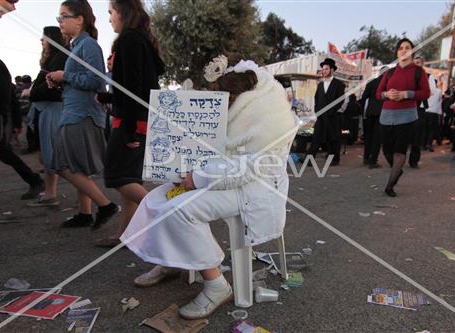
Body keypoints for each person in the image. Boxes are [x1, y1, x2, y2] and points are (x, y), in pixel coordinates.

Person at [120, 55, 298, 319]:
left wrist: (199, 178)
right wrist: (179, 164)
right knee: (156, 198)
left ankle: (216, 285)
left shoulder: (273, 121)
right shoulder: (247, 106)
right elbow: (213, 146)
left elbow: (250, 169)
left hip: (255, 191)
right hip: (223, 178)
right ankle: (171, 260)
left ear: (243, 99)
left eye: (228, 102)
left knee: (181, 209)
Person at [94, 0, 165, 248]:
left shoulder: (129, 40)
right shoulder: (140, 40)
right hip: (138, 118)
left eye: (111, 12)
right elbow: (135, 88)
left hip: (132, 121)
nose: (109, 18)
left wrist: (132, 128)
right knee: (130, 176)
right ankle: (125, 234)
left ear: (122, 12)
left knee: (117, 175)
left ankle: (168, 222)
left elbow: (135, 89)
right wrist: (109, 97)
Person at [46, 0, 118, 228]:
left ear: (80, 19)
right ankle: (85, 213)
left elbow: (97, 80)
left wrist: (64, 77)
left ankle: (105, 205)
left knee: (62, 164)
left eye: (63, 16)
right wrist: (59, 81)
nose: (60, 22)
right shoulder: (78, 46)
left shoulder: (88, 46)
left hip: (81, 114)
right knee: (77, 166)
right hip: (76, 111)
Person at [0, 30, 44, 199]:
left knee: (4, 153)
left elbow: (4, 95)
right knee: (3, 152)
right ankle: (34, 180)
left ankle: (35, 180)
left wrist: (15, 122)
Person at [376, 38, 430, 197]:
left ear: (412, 51)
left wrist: (407, 94)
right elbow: (378, 93)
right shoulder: (390, 72)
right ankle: (397, 170)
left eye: (407, 47)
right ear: (397, 52)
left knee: (399, 151)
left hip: (407, 116)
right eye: (401, 48)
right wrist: (387, 94)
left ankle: (390, 185)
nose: (404, 50)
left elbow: (426, 93)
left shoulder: (419, 72)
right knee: (386, 150)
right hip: (386, 115)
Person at [22, 26, 68, 207]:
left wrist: (30, 93)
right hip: (45, 110)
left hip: (52, 110)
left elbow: (53, 90)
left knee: (51, 157)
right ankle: (50, 192)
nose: (41, 41)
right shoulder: (52, 58)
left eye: (44, 38)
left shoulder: (60, 57)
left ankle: (53, 193)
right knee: (45, 155)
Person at [305, 58, 345, 166]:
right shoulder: (320, 85)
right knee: (316, 137)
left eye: (326, 69)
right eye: (323, 69)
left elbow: (340, 100)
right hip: (321, 116)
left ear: (332, 70)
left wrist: (331, 112)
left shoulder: (339, 84)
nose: (324, 71)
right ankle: (309, 160)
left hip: (333, 116)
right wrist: (317, 112)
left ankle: (335, 159)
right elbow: (317, 99)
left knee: (333, 138)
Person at [360, 69, 385, 169]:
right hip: (382, 113)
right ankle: (373, 161)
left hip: (369, 113)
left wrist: (363, 112)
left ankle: (366, 158)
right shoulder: (387, 83)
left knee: (368, 137)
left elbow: (363, 98)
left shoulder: (371, 82)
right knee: (377, 138)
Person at [423, 78, 442, 151]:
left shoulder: (425, 90)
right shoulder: (439, 91)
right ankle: (428, 143)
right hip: (434, 112)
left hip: (425, 111)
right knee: (432, 129)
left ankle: (423, 144)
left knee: (425, 129)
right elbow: (439, 100)